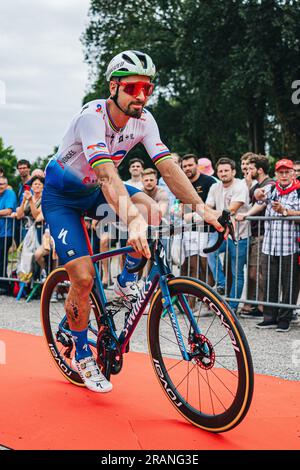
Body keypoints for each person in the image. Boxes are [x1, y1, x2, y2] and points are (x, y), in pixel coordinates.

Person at [41, 50, 224, 393]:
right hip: (64, 197)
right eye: (133, 87)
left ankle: (126, 283)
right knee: (82, 278)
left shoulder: (145, 120)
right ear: (114, 87)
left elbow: (168, 167)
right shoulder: (92, 117)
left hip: (95, 189)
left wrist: (202, 208)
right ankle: (82, 354)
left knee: (152, 211)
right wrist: (133, 222)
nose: (141, 95)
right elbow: (109, 176)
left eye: (148, 88)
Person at [254, 159, 300, 332]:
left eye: (287, 172)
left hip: (290, 245)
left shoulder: (298, 191)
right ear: (276, 174)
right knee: (269, 282)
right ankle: (269, 317)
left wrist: (285, 211)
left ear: (293, 173)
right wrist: (257, 193)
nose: (284, 175)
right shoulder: (272, 188)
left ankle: (285, 318)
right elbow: (258, 196)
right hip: (270, 244)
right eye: (280, 172)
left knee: (289, 284)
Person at [206, 157, 251, 312]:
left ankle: (232, 308)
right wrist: (213, 213)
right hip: (221, 232)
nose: (223, 173)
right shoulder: (214, 187)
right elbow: (207, 208)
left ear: (233, 171)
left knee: (237, 272)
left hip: (240, 234)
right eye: (221, 171)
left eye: (226, 170)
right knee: (210, 250)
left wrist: (212, 213)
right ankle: (221, 284)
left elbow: (232, 209)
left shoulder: (240, 185)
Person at [236, 155, 275, 318]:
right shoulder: (257, 184)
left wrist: (246, 214)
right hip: (255, 232)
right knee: (255, 272)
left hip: (262, 233)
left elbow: (261, 204)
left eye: (251, 168)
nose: (247, 171)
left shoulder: (269, 184)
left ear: (259, 170)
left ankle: (263, 307)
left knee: (256, 272)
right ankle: (259, 306)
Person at [180, 154, 216, 287]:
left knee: (205, 263)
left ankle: (211, 294)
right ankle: (193, 299)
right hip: (189, 228)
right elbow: (182, 204)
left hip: (207, 229)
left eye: (190, 165)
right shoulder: (183, 182)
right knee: (191, 264)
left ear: (197, 165)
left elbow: (212, 205)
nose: (187, 168)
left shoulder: (209, 181)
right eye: (184, 166)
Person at [0, 176, 17, 295]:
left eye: (2, 184)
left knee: (2, 260)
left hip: (6, 233)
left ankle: (5, 286)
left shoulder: (10, 193)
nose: (0, 186)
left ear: (6, 184)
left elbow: (8, 211)